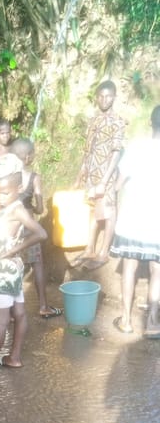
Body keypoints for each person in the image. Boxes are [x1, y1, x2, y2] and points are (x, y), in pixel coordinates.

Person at [0, 154, 47, 377]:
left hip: (2, 273)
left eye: (5, 192)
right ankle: (13, 358)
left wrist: (15, 249)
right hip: (9, 271)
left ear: (20, 187)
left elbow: (41, 233)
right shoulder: (9, 207)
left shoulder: (17, 210)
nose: (1, 197)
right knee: (20, 313)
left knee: (1, 321)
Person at [109, 104, 160, 337]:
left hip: (132, 220)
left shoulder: (137, 147)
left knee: (129, 266)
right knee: (157, 271)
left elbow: (118, 185)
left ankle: (127, 321)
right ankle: (151, 323)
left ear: (152, 122)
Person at [73, 81, 126, 270]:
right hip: (91, 174)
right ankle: (90, 248)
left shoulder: (117, 121)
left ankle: (103, 253)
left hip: (107, 175)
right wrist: (81, 171)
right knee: (92, 209)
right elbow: (87, 149)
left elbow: (116, 152)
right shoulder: (93, 119)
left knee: (109, 211)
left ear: (114, 97)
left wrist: (105, 180)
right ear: (96, 97)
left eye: (108, 96)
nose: (104, 100)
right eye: (101, 96)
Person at [10, 137, 63, 319]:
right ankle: (43, 306)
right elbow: (40, 208)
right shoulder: (34, 178)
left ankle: (10, 311)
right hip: (29, 226)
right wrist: (36, 205)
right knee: (37, 264)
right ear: (27, 157)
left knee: (12, 265)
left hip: (11, 226)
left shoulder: (7, 177)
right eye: (32, 154)